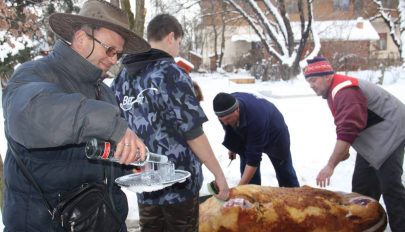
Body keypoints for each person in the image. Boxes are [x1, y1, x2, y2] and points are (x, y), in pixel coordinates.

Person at [1, 0, 151, 231]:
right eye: (110, 50)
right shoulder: (34, 74)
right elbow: (29, 114)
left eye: (118, 54)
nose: (114, 60)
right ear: (82, 38)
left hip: (104, 222)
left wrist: (129, 161)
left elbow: (97, 158)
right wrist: (113, 126)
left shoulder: (105, 91)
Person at [112, 14, 229, 232]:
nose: (178, 48)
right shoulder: (170, 73)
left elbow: (115, 124)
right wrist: (219, 174)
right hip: (179, 181)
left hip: (146, 180)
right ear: (171, 37)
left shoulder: (122, 77)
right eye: (179, 42)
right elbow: (192, 132)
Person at [304, 56, 405, 232]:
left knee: (390, 187)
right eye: (308, 81)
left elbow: (348, 129)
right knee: (362, 189)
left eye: (314, 80)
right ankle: (367, 225)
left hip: (392, 131)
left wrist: (331, 164)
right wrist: (344, 151)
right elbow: (352, 123)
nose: (311, 85)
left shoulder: (345, 90)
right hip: (373, 139)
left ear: (328, 76)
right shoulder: (333, 90)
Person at [213, 92, 300, 187]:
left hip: (275, 136)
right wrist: (233, 147)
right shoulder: (225, 106)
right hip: (250, 127)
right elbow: (229, 128)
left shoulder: (255, 118)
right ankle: (251, 196)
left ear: (237, 109)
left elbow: (253, 160)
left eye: (228, 118)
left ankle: (293, 194)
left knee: (284, 171)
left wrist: (239, 189)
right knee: (249, 177)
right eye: (221, 120)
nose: (225, 123)